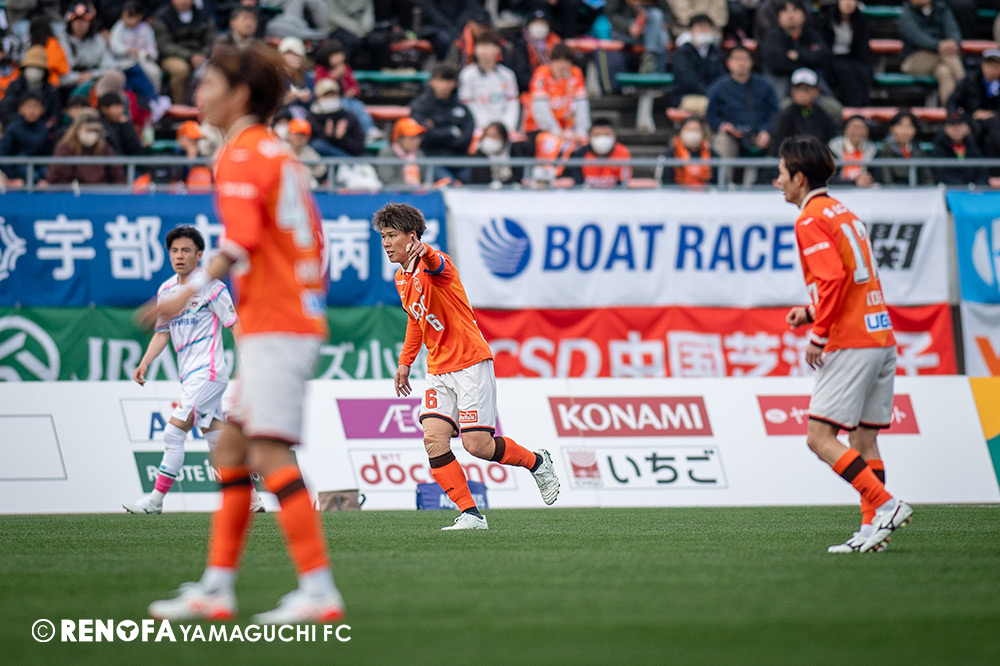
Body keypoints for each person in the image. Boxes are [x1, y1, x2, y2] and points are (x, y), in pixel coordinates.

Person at [143, 42, 344, 624]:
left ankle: (319, 591)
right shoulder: (274, 152)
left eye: (208, 83)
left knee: (270, 451)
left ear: (240, 94)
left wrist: (186, 290)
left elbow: (242, 239)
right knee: (231, 448)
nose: (198, 94)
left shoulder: (240, 152)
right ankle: (218, 587)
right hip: (282, 318)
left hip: (277, 323)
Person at [375, 202, 561, 530]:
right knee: (434, 440)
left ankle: (537, 462)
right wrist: (405, 362)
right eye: (383, 237)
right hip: (438, 370)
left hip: (470, 363)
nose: (386, 243)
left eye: (392, 235)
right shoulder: (401, 278)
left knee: (477, 445)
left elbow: (436, 263)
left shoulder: (438, 264)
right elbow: (416, 320)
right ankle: (471, 514)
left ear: (412, 236)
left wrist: (426, 251)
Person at [775, 134, 913, 554]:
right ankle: (872, 531)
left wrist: (818, 335)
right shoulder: (843, 211)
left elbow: (833, 279)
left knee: (819, 437)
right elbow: (850, 278)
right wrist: (811, 311)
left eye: (781, 173)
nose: (778, 181)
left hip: (851, 340)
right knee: (864, 440)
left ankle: (887, 505)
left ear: (799, 177)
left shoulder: (810, 218)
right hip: (880, 335)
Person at [124, 226, 263, 515]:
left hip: (209, 373)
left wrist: (249, 361)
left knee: (173, 433)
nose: (179, 255)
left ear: (199, 255)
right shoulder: (166, 290)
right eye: (174, 250)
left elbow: (234, 323)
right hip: (190, 378)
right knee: (216, 438)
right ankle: (252, 500)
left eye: (186, 250)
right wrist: (145, 362)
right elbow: (162, 332)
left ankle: (155, 501)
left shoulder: (212, 288)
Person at [706, 44, 779, 186]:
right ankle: (724, 184)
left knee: (780, 139)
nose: (741, 63)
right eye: (737, 59)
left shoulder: (764, 85)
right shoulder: (718, 87)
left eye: (745, 59)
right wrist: (722, 126)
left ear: (751, 62)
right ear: (728, 63)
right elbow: (711, 114)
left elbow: (774, 112)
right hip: (732, 134)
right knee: (722, 141)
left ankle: (766, 184)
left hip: (758, 133)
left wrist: (766, 130)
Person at [410, 64, 475, 180]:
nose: (444, 85)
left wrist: (437, 132)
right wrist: (452, 132)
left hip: (459, 159)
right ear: (432, 82)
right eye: (440, 80)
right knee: (447, 182)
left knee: (475, 179)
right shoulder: (421, 105)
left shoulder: (461, 107)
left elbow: (467, 134)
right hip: (431, 158)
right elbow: (423, 134)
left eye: (448, 81)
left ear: (454, 83)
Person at [760, 0, 830, 100]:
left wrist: (799, 55)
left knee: (830, 105)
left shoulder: (812, 35)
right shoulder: (772, 37)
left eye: (795, 10)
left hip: (811, 78)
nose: (790, 15)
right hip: (782, 80)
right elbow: (776, 64)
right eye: (785, 11)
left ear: (804, 14)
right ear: (779, 17)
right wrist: (808, 59)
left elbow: (824, 57)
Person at [899, 0, 964, 104]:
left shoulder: (942, 9)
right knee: (946, 54)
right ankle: (963, 82)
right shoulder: (906, 15)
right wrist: (938, 46)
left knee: (944, 72)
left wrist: (953, 43)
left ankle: (951, 110)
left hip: (941, 59)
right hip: (912, 61)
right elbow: (919, 39)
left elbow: (954, 32)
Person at [153, 0, 218, 104]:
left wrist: (202, 54)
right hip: (172, 56)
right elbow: (164, 45)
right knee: (181, 70)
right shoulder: (162, 16)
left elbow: (211, 39)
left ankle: (205, 105)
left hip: (201, 55)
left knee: (215, 69)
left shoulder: (203, 14)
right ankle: (180, 105)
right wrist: (190, 56)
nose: (182, 2)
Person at [523, 43, 590, 143]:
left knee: (584, 142)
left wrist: (581, 132)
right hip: (540, 128)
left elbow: (582, 105)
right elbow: (540, 109)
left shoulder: (576, 73)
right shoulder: (542, 73)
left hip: (568, 129)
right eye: (557, 60)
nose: (562, 65)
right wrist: (556, 131)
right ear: (551, 61)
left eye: (566, 61)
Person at [459, 31, 520, 134]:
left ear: (498, 49)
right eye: (481, 46)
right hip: (478, 128)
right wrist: (485, 127)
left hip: (505, 128)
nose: (484, 51)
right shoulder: (467, 75)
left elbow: (512, 102)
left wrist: (507, 127)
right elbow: (467, 103)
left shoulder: (508, 75)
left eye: (488, 46)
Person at [47, 108, 127, 185]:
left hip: (100, 192)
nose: (92, 134)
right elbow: (55, 179)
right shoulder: (65, 149)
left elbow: (118, 176)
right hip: (73, 193)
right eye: (88, 130)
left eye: (95, 130)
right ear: (77, 129)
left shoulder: (104, 148)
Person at [947, 49, 1000, 159]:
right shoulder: (969, 81)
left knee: (992, 126)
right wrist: (958, 121)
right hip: (972, 122)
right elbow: (952, 102)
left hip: (996, 124)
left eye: (995, 66)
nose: (992, 70)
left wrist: (992, 115)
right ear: (982, 65)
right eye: (989, 65)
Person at [769, 68, 837, 152]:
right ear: (792, 91)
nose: (801, 93)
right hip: (793, 158)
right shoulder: (785, 116)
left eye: (806, 89)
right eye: (797, 88)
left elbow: (830, 140)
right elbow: (777, 145)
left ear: (816, 91)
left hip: (817, 158)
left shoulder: (822, 115)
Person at [819, 0, 872, 108]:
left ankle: (865, 104)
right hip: (831, 57)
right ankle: (853, 104)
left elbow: (862, 47)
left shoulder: (860, 21)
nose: (848, 3)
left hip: (850, 56)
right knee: (845, 70)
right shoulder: (827, 18)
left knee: (863, 70)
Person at [671, 14, 726, 117]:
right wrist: (709, 92)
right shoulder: (683, 52)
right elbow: (687, 79)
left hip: (712, 94)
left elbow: (721, 75)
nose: (704, 32)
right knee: (712, 106)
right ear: (691, 31)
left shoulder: (714, 51)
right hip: (687, 96)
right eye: (700, 28)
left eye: (707, 28)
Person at [0, 46, 61, 127]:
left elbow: (55, 115)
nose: (34, 71)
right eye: (31, 67)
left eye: (38, 68)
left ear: (44, 72)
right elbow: (6, 110)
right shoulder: (15, 86)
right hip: (17, 128)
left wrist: (41, 126)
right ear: (24, 70)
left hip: (42, 130)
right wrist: (23, 124)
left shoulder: (51, 90)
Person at [109, 2, 163, 94]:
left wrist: (147, 54)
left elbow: (153, 50)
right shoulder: (119, 27)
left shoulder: (146, 29)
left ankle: (153, 97)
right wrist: (128, 50)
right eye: (124, 16)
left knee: (155, 72)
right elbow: (114, 47)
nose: (126, 20)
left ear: (139, 16)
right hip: (122, 61)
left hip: (142, 61)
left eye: (130, 16)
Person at [60, 3, 116, 90]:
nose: (80, 24)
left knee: (117, 78)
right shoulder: (61, 41)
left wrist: (92, 75)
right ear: (69, 23)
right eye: (76, 20)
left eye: (84, 20)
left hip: (96, 82)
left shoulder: (98, 40)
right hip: (71, 86)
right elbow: (61, 76)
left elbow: (111, 67)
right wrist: (79, 77)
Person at [0, 92, 52, 185]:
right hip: (18, 168)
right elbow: (3, 153)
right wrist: (13, 176)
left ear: (42, 109)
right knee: (33, 176)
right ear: (21, 109)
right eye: (28, 106)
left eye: (36, 106)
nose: (32, 111)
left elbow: (49, 154)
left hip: (40, 167)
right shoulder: (12, 129)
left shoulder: (45, 130)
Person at [605, 0, 671, 73]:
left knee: (657, 20)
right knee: (661, 36)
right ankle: (655, 71)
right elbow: (612, 14)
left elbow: (666, 11)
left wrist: (666, 23)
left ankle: (650, 57)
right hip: (625, 30)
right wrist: (628, 27)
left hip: (651, 30)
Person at [308, 77, 364, 157]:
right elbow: (307, 145)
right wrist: (327, 136)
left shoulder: (349, 117)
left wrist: (342, 138)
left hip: (347, 159)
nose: (330, 99)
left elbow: (358, 148)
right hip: (319, 161)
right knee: (318, 145)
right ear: (318, 98)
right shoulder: (311, 118)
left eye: (332, 95)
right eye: (326, 96)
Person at [567, 118, 632, 187]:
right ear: (589, 137)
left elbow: (623, 184)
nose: (602, 139)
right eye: (597, 135)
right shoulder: (580, 154)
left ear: (614, 136)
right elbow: (578, 184)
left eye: (606, 135)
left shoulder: (622, 153)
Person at [509, 9, 562, 93]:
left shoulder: (556, 41)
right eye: (536, 23)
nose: (539, 27)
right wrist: (539, 86)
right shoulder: (521, 43)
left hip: (555, 85)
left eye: (543, 23)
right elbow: (521, 71)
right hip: (531, 87)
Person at [930, 111, 989, 186]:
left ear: (968, 128)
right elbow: (939, 173)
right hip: (948, 189)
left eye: (960, 125)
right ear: (945, 128)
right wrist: (960, 187)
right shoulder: (939, 147)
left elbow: (982, 172)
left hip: (972, 190)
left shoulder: (975, 145)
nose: (956, 129)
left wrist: (977, 186)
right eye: (952, 125)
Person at [468, 121, 533, 186]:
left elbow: (518, 174)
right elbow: (478, 178)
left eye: (495, 136)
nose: (491, 140)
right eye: (488, 136)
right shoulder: (480, 152)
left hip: (511, 188)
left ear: (503, 137)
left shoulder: (513, 149)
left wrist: (504, 185)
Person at [876, 110, 932, 185]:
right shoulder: (885, 150)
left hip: (917, 190)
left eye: (909, 126)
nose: (905, 130)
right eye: (901, 125)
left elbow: (927, 178)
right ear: (892, 128)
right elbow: (886, 180)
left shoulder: (918, 150)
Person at [661, 116, 717, 187]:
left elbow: (718, 182)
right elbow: (665, 181)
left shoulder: (713, 155)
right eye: (689, 129)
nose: (692, 133)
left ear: (702, 133)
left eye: (696, 130)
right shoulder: (670, 154)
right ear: (681, 132)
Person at [377, 117, 429, 189]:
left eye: (418, 137)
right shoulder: (387, 153)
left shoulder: (419, 154)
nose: (417, 141)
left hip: (419, 194)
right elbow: (387, 181)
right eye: (412, 138)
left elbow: (425, 178)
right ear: (399, 138)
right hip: (395, 195)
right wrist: (413, 188)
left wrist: (427, 185)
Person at [828, 114, 876, 187]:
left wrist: (868, 180)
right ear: (846, 129)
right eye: (855, 127)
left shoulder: (871, 149)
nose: (858, 131)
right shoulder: (833, 148)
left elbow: (877, 176)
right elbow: (830, 179)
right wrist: (854, 182)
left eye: (862, 127)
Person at [97, 91, 143, 156]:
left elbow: (136, 150)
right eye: (116, 107)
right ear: (104, 109)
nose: (121, 110)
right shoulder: (99, 126)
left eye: (121, 106)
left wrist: (126, 126)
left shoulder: (124, 123)